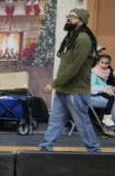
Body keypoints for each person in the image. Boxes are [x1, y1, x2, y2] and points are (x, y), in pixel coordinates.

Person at [39, 9, 101, 152]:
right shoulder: (70, 37)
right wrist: (59, 84)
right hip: (64, 89)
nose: (69, 18)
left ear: (82, 21)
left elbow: (75, 67)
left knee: (82, 123)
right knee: (55, 121)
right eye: (68, 16)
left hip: (76, 90)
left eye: (73, 17)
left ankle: (94, 150)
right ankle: (46, 146)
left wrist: (54, 83)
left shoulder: (83, 39)